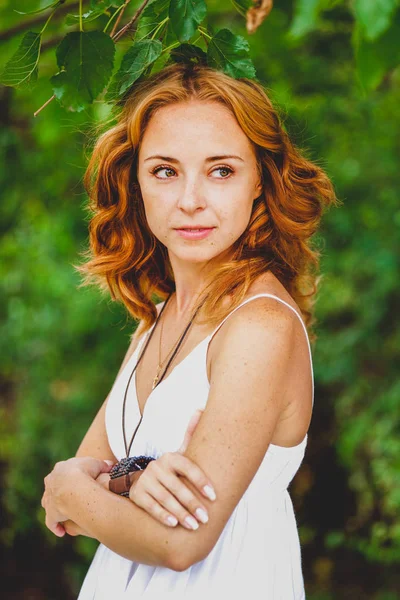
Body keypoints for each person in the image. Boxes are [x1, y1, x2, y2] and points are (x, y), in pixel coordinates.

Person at [41, 62, 337, 599]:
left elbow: (179, 543)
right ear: (134, 183)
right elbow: (72, 512)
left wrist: (68, 483)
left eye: (221, 171)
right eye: (165, 171)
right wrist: (129, 478)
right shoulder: (157, 320)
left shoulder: (260, 325)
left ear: (259, 184)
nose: (191, 200)